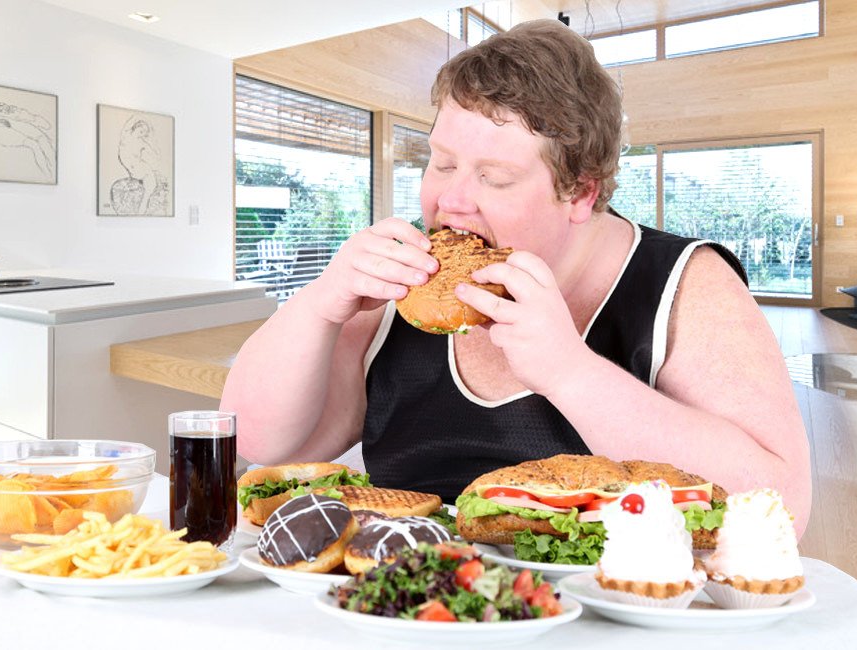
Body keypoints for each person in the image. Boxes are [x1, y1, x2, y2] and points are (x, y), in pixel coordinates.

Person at [220, 19, 811, 535]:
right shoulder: (402, 286)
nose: (450, 200)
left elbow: (779, 508)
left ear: (580, 191)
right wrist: (321, 304)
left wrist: (569, 372)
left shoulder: (684, 284)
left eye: (494, 178)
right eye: (442, 162)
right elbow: (262, 443)